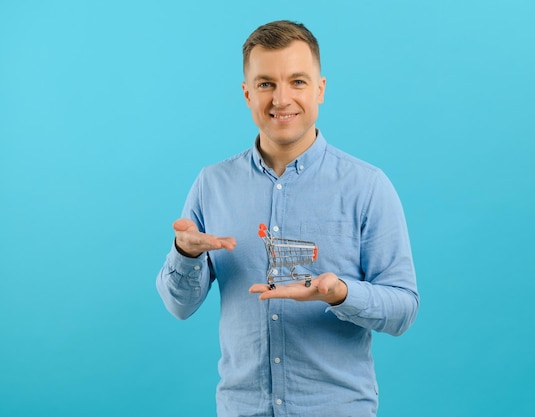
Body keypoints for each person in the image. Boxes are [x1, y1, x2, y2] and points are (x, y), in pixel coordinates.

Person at [156, 20, 419, 417]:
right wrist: (185, 253)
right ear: (247, 93)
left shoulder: (368, 186)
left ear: (320, 89)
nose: (281, 99)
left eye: (297, 81)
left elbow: (403, 309)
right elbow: (179, 306)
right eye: (265, 84)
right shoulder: (212, 184)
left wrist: (340, 293)